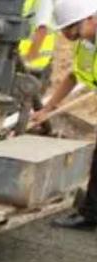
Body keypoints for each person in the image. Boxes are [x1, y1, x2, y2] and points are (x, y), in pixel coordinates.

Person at [33, 0, 97, 230]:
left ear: (90, 18)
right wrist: (47, 109)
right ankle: (91, 213)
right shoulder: (87, 44)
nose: (70, 35)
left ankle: (90, 215)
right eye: (66, 31)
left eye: (73, 29)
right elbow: (74, 76)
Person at [20, 0, 57, 82]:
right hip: (18, 62)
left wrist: (26, 63)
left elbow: (42, 30)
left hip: (32, 68)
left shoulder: (44, 2)